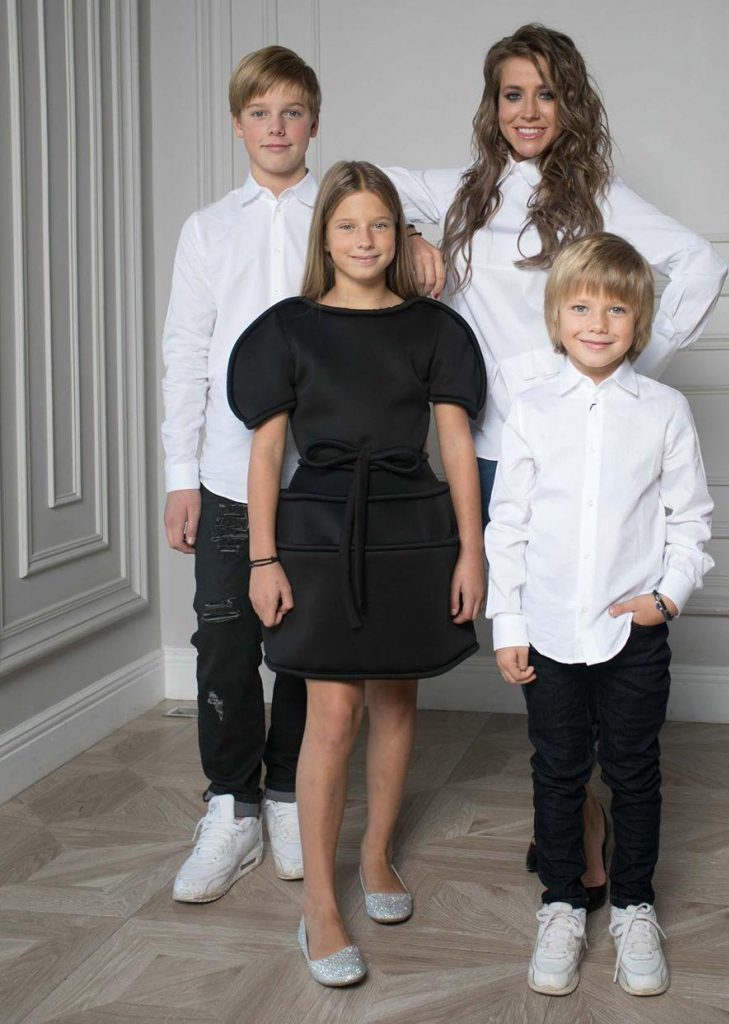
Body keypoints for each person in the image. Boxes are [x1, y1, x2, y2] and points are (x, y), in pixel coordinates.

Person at [390, 21, 727, 894]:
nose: (529, 110)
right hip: (487, 450)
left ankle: (589, 831)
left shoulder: (597, 196)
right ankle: (575, 817)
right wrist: (416, 234)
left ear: (571, 103)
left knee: (581, 649)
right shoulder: (460, 193)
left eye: (546, 93)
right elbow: (354, 183)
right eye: (513, 94)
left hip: (575, 449)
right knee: (530, 648)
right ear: (492, 105)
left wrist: (626, 376)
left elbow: (701, 265)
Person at [228, 161, 486, 987]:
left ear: (399, 235)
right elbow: (266, 455)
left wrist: (472, 551)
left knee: (397, 701)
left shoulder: (435, 329)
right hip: (317, 536)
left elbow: (455, 446)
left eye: (380, 225)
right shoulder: (286, 330)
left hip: (412, 534)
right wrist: (262, 558)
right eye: (348, 226)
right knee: (332, 714)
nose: (365, 240)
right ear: (325, 237)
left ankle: (376, 856)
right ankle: (319, 906)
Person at [486, 232, 714, 997]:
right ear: (557, 316)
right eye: (581, 307)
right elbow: (508, 526)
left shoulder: (665, 411)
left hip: (632, 633)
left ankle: (634, 906)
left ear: (638, 321)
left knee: (633, 771)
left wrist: (667, 597)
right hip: (548, 630)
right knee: (557, 771)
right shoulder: (530, 410)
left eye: (616, 309)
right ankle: (560, 904)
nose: (597, 323)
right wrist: (509, 624)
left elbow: (690, 519)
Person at [160, 46, 322, 902]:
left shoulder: (342, 215)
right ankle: (233, 804)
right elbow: (185, 353)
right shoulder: (208, 228)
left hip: (317, 475)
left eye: (291, 112)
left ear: (313, 122)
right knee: (224, 639)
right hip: (225, 472)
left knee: (303, 642)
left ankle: (289, 792)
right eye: (260, 113)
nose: (276, 127)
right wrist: (180, 472)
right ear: (237, 125)